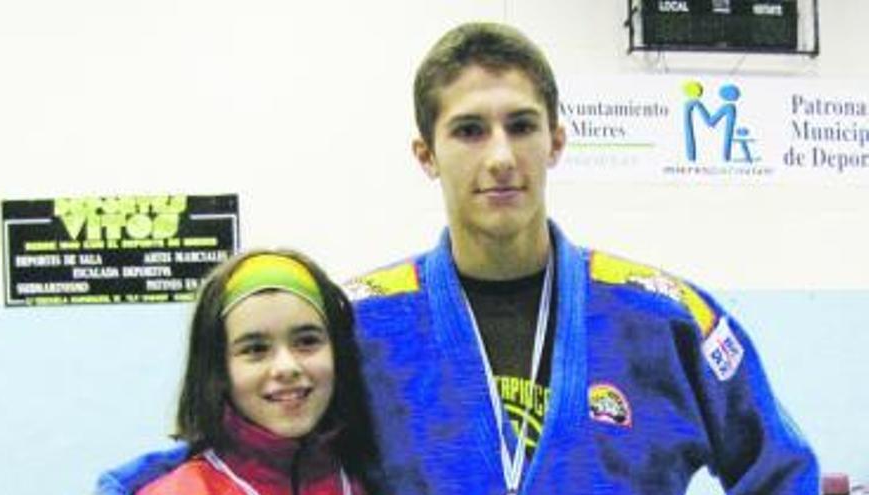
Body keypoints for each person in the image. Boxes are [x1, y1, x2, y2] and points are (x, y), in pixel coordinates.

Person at [96, 22, 818, 494]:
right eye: (469, 130)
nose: (500, 156)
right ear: (426, 153)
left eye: (521, 126)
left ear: (557, 142)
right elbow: (242, 450)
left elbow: (783, 469)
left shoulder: (662, 316)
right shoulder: (363, 322)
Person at [102, 249, 384, 495]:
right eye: (255, 349)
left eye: (307, 341)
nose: (286, 367)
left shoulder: (384, 479)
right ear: (217, 369)